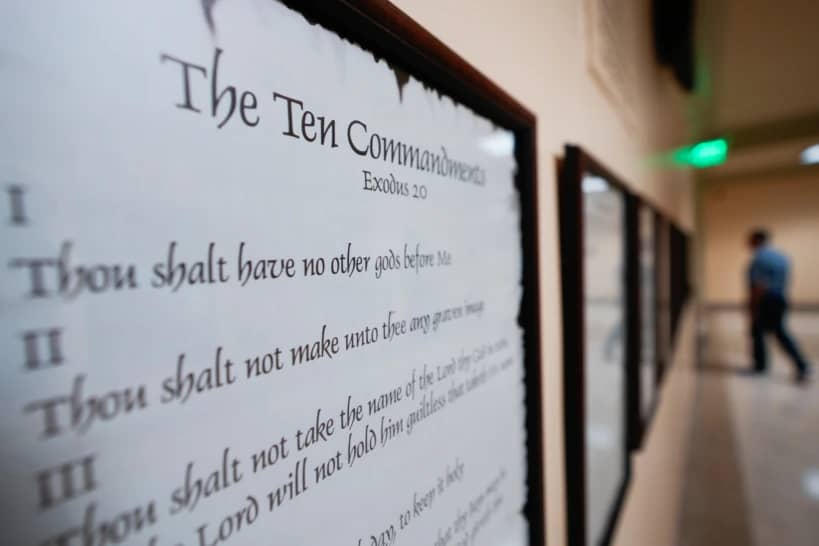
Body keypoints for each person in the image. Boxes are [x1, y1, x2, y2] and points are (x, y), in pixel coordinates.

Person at [747, 228, 812, 383]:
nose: (747, 244)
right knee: (763, 332)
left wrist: (753, 306)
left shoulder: (759, 258)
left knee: (774, 332)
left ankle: (800, 364)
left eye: (750, 240)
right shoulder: (781, 257)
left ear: (757, 240)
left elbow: (759, 285)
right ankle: (761, 365)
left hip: (766, 301)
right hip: (779, 298)